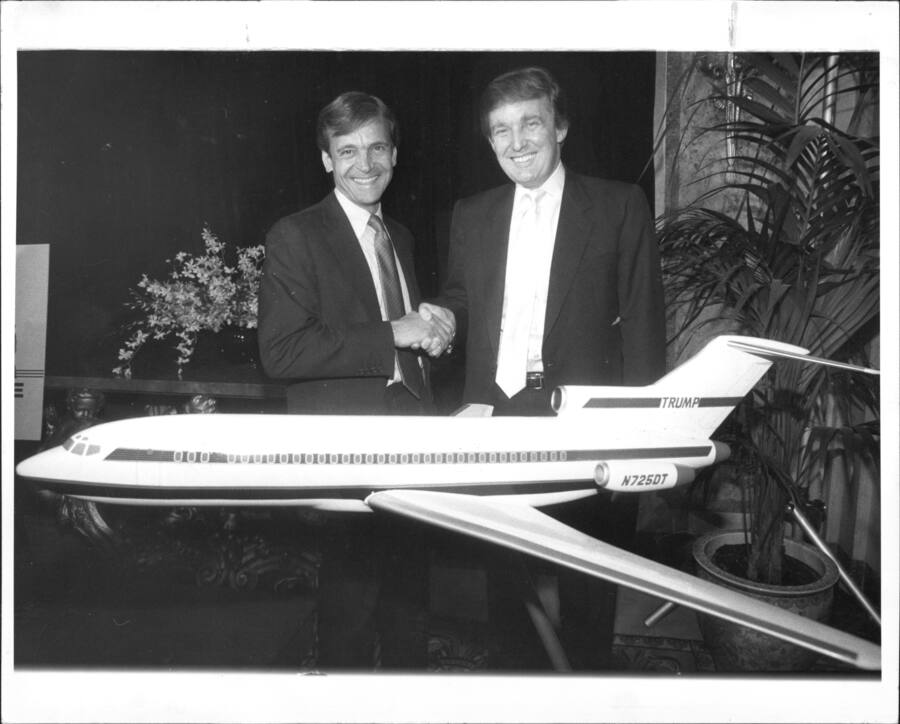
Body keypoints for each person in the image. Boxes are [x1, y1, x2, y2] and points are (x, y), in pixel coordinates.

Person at [422, 66, 666, 669]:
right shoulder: (471, 214)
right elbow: (461, 298)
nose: (517, 141)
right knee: (507, 577)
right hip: (496, 412)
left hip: (582, 422)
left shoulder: (616, 205)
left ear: (559, 125)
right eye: (500, 130)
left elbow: (642, 324)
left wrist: (638, 433)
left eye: (530, 122)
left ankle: (587, 692)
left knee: (588, 573)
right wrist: (440, 318)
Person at [258, 91, 450, 670]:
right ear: (326, 160)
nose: (365, 164)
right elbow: (282, 354)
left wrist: (434, 339)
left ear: (394, 153)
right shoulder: (295, 235)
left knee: (409, 606)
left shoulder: (403, 237)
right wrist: (395, 332)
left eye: (376, 148)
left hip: (412, 439)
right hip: (345, 450)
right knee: (351, 607)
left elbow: (405, 336)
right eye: (348, 151)